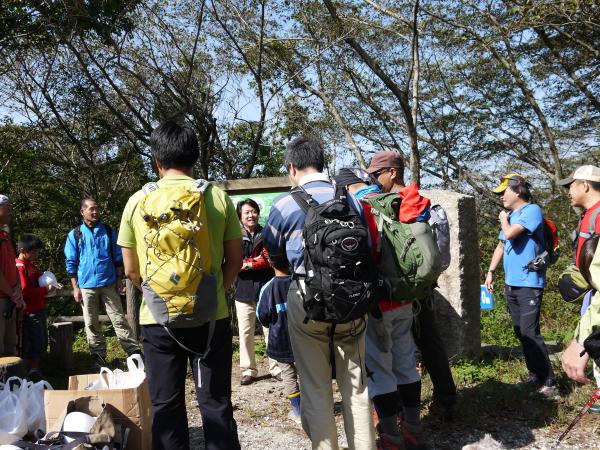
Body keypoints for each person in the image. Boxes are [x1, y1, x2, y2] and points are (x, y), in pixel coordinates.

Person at [118, 120, 242, 450]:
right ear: (195, 157)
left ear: (156, 160)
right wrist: (217, 292)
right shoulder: (216, 197)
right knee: (215, 403)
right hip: (211, 316)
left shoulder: (137, 202)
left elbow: (131, 270)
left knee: (166, 405)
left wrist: (158, 294)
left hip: (157, 319)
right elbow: (235, 260)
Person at [263, 136, 375, 450]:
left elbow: (275, 255)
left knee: (315, 387)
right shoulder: (351, 200)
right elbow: (367, 245)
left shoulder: (284, 205)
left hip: (306, 298)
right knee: (357, 388)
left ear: (292, 167)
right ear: (322, 163)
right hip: (352, 300)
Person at [334, 167, 427, 450]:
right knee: (406, 364)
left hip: (377, 304)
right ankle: (414, 430)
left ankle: (391, 436)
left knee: (380, 369)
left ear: (345, 188)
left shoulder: (359, 210)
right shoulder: (394, 202)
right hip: (405, 298)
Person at [366, 151, 457, 419]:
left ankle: (395, 411)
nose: (373, 179)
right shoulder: (423, 204)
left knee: (392, 350)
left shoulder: (382, 207)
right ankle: (446, 401)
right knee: (430, 343)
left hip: (394, 292)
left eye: (376, 174)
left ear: (393, 172)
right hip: (422, 291)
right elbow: (440, 256)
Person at [485, 173, 557, 397]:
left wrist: (503, 219)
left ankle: (549, 382)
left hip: (529, 283)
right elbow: (501, 245)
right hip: (512, 282)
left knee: (530, 332)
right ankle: (535, 376)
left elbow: (509, 234)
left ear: (517, 190)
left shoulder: (531, 211)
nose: (500, 197)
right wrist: (490, 272)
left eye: (503, 192)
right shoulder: (512, 214)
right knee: (521, 332)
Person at [64, 198, 140, 369]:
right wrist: (75, 287)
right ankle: (98, 357)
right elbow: (71, 262)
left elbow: (118, 257)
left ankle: (134, 354)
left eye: (96, 208)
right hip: (86, 286)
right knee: (91, 323)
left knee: (119, 319)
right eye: (91, 209)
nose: (95, 212)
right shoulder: (75, 234)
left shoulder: (108, 231)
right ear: (82, 212)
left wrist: (119, 279)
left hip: (109, 283)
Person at [558, 165, 600, 384]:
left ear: (585, 185)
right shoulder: (588, 214)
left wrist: (581, 339)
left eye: (571, 186)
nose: (568, 191)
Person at [235, 198, 279, 385]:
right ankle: (248, 370)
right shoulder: (234, 235)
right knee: (245, 332)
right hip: (243, 290)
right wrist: (253, 262)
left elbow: (269, 258)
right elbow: (232, 261)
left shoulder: (267, 233)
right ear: (240, 216)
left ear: (258, 213)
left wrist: (246, 264)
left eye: (253, 211)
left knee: (271, 330)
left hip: (266, 289)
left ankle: (276, 367)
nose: (251, 215)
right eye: (246, 212)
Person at [256, 252, 300, 423]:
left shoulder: (268, 288)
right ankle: (314, 408)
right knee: (306, 374)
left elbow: (262, 316)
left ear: (270, 263)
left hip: (279, 341)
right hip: (302, 340)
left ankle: (297, 411)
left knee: (288, 375)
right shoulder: (298, 282)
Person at [15, 234, 57, 379]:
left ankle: (36, 369)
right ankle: (29, 372)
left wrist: (53, 283)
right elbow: (24, 292)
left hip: (39, 307)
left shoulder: (31, 265)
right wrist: (45, 290)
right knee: (32, 341)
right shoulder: (20, 267)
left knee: (41, 340)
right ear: (23, 250)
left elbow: (40, 278)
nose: (36, 254)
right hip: (29, 311)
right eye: (34, 251)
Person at [0, 194, 25, 356]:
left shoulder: (5, 236)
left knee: (11, 347)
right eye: (7, 208)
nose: (11, 212)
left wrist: (17, 290)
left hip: (10, 298)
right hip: (3, 298)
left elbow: (13, 265)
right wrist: (12, 293)